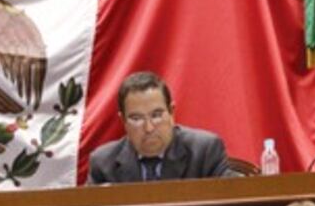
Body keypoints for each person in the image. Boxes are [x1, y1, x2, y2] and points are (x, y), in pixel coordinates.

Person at [88, 71, 236, 183]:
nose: (149, 128)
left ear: (171, 112)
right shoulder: (103, 163)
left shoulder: (204, 151)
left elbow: (233, 201)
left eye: (156, 115)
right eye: (136, 118)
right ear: (123, 120)